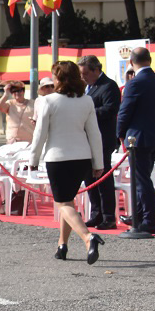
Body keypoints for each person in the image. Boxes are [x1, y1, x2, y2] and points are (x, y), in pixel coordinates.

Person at [30, 61, 106, 262]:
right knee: (68, 201)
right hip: (82, 158)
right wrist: (98, 163)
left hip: (58, 158)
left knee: (62, 203)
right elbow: (94, 134)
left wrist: (33, 158)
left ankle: (88, 237)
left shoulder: (48, 101)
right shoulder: (87, 100)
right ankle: (62, 245)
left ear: (59, 79)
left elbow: (40, 133)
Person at [115, 46, 155, 236]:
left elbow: (124, 112)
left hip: (138, 138)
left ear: (131, 62)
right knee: (144, 178)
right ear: (149, 60)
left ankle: (148, 221)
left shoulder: (135, 83)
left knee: (142, 181)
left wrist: (119, 133)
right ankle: (140, 216)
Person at [78, 55, 121, 231]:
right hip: (86, 139)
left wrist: (87, 112)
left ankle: (109, 216)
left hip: (103, 139)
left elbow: (110, 109)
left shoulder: (108, 86)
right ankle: (96, 213)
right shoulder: (87, 87)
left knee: (103, 178)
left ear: (97, 70)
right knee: (89, 179)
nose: (83, 77)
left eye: (86, 73)